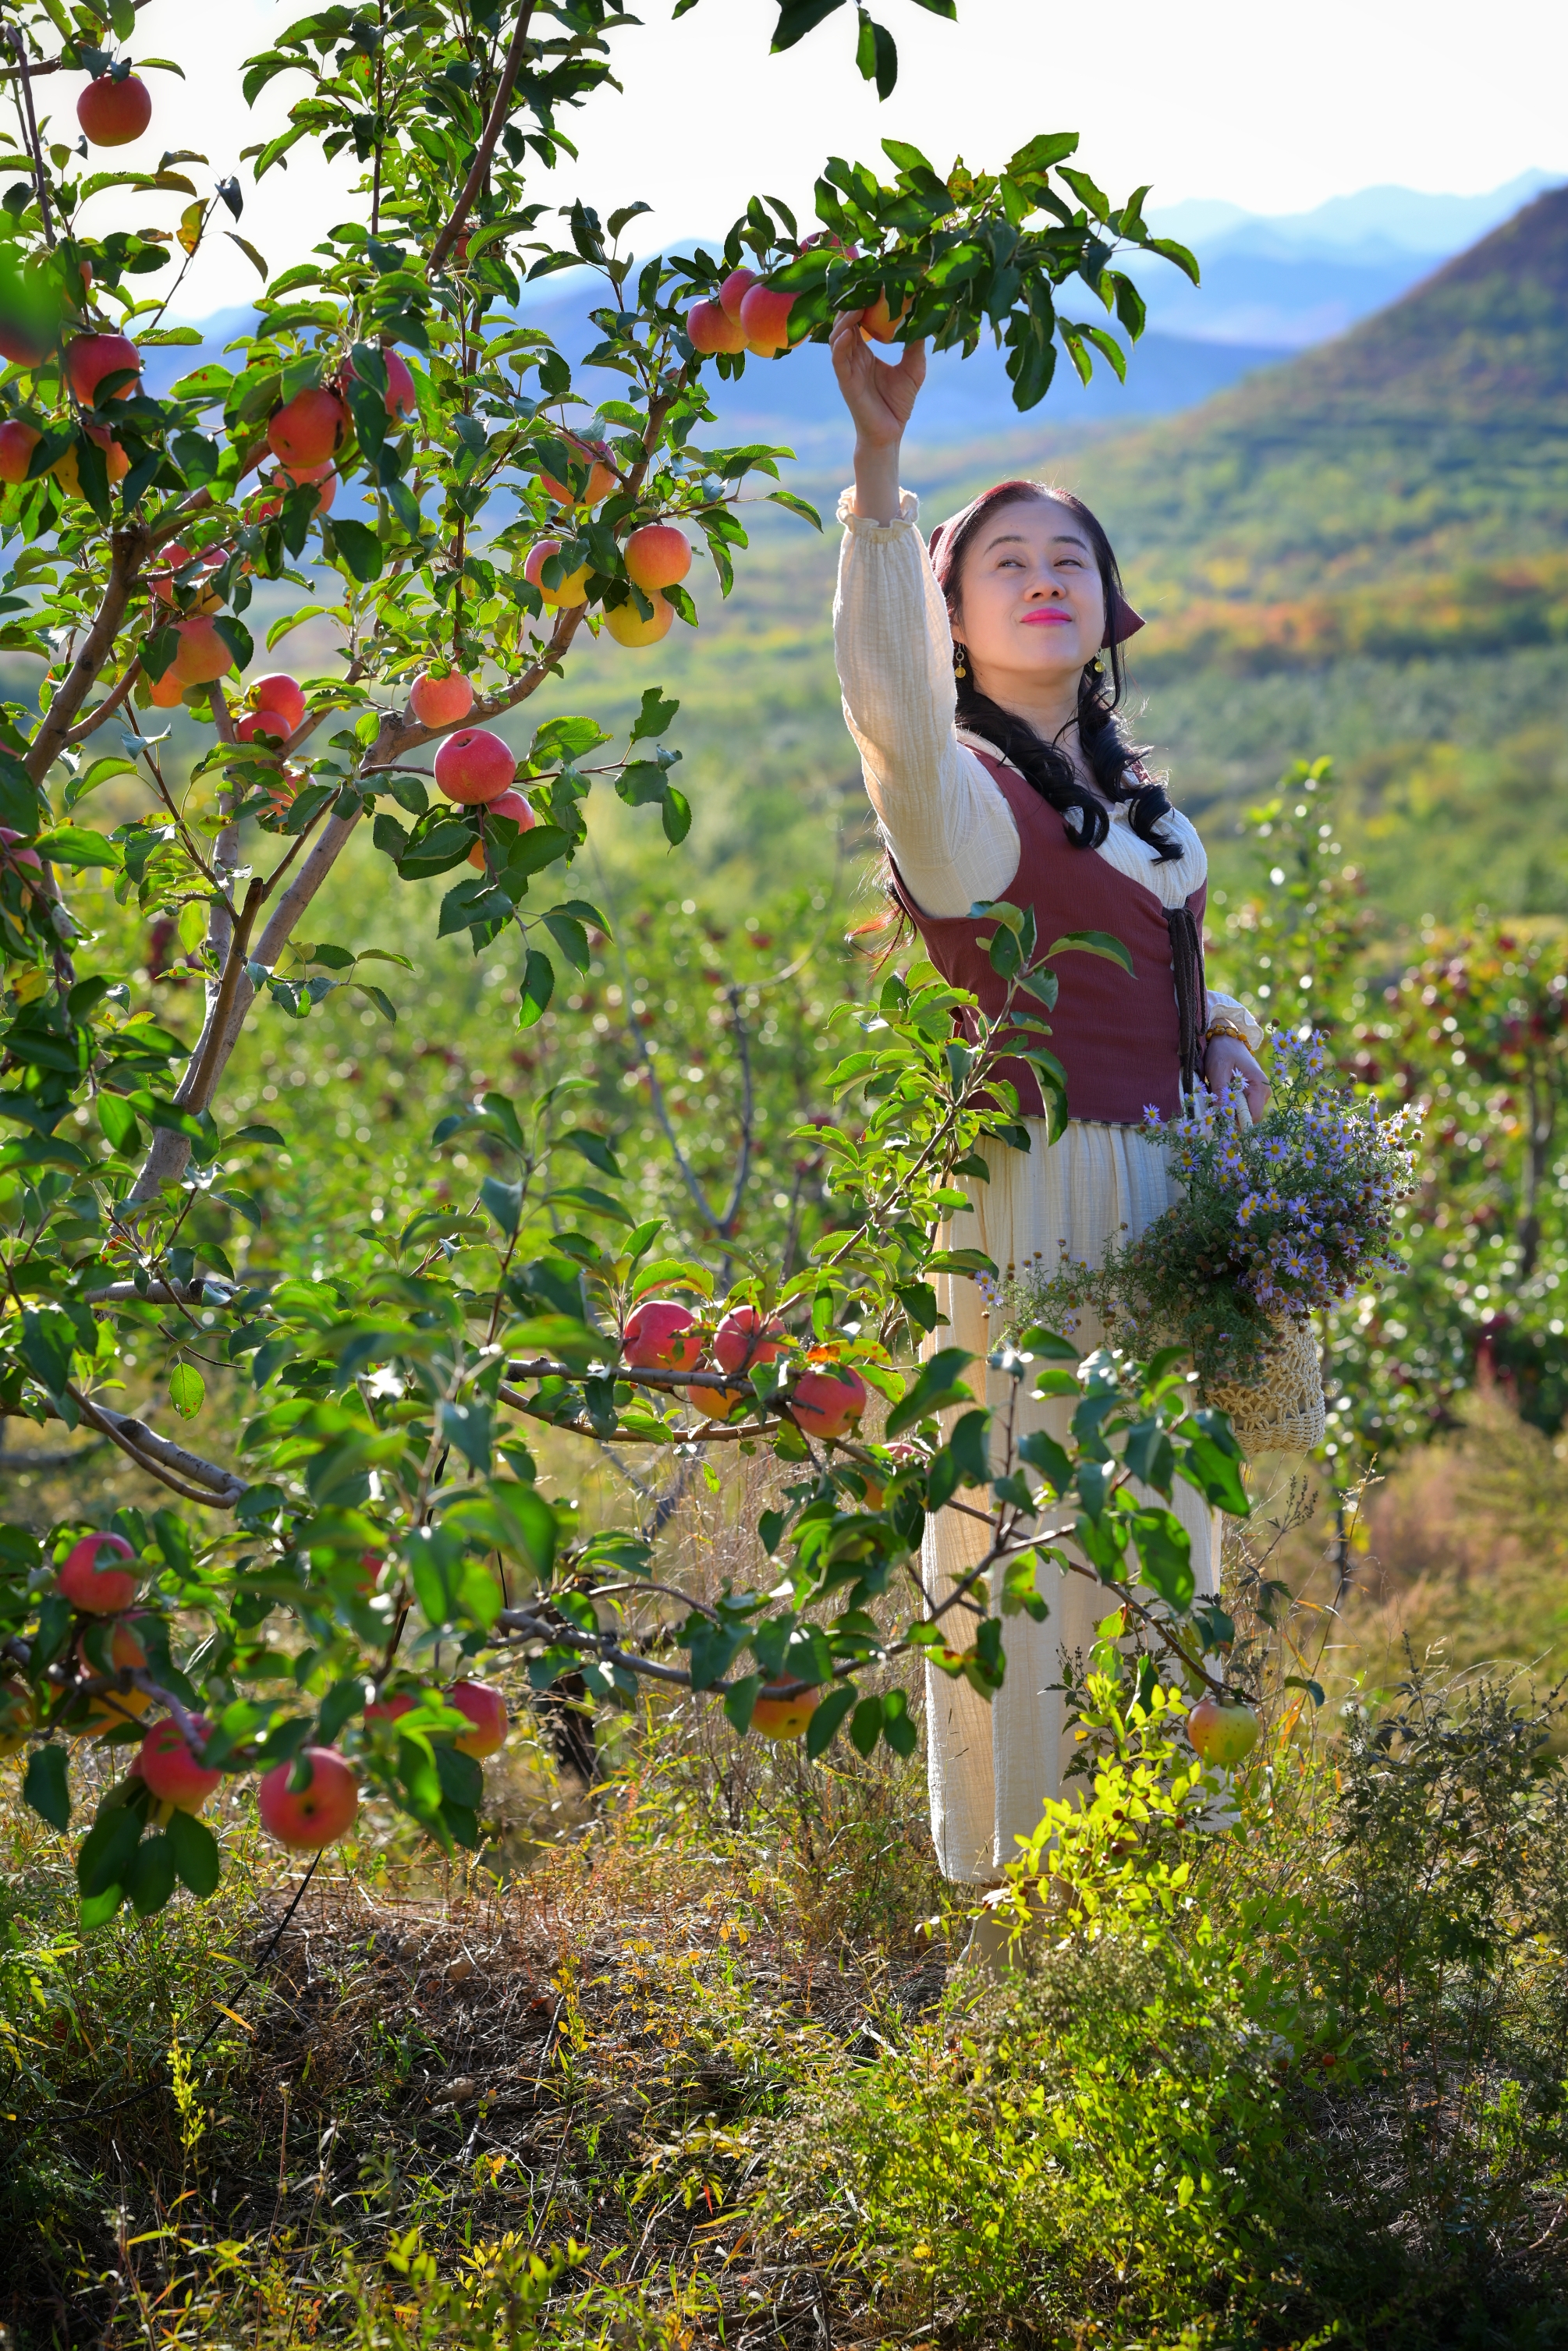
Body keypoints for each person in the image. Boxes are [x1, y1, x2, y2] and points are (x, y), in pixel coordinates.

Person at [828, 313, 1271, 1895]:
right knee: (1036, 1538)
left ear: (1104, 605)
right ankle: (1028, 1893)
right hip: (1041, 1206)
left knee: (1162, 1534)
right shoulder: (965, 800)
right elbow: (884, 714)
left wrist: (1219, 1040)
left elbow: (1153, 972)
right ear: (949, 611)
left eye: (1067, 557)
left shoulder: (1138, 808)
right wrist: (881, 473)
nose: (1040, 577)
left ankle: (1164, 1884)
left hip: (1167, 1201)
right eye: (1002, 559)